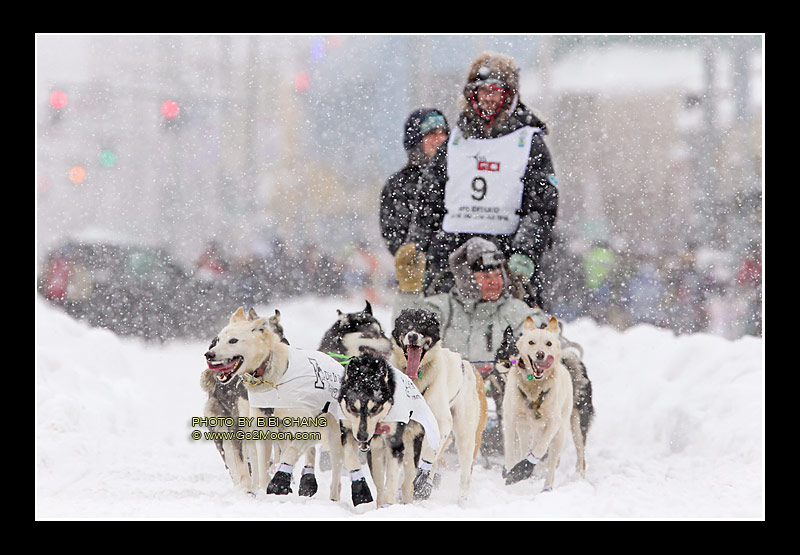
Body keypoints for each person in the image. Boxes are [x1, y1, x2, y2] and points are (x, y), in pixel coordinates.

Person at [405, 52, 559, 308]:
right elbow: (428, 203)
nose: (489, 97)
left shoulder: (529, 142)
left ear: (509, 96)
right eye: (482, 90)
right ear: (471, 95)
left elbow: (542, 208)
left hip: (507, 257)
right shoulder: (453, 143)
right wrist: (417, 250)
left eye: (496, 91)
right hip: (452, 257)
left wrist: (525, 252)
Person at [380, 108, 449, 256]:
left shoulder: (458, 176)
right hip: (419, 270)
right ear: (416, 141)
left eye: (443, 133)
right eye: (431, 134)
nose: (439, 139)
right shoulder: (398, 185)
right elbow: (394, 234)